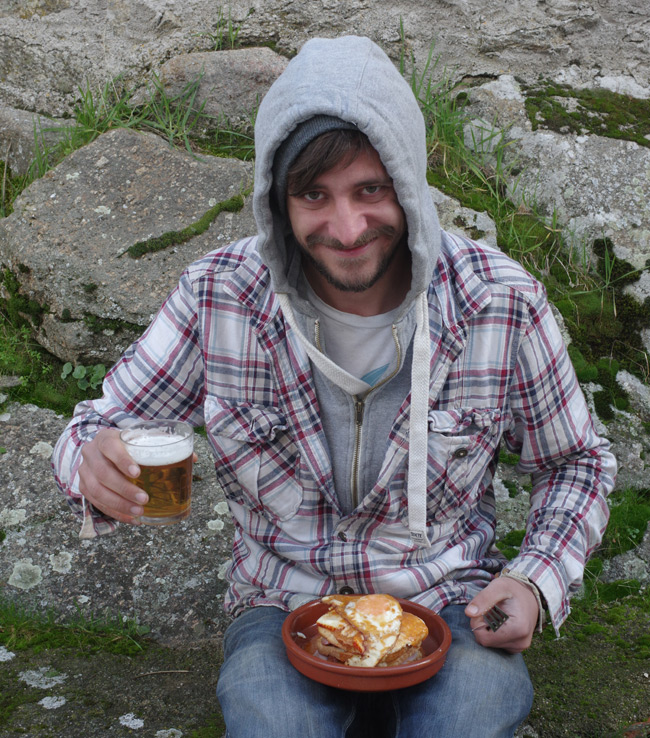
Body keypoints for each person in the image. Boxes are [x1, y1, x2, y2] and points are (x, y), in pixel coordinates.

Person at [52, 35, 617, 737]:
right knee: (268, 718)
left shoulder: (501, 301)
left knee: (472, 714)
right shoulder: (218, 295)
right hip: (281, 604)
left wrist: (534, 579)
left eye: (371, 189)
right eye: (314, 195)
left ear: (408, 183)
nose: (347, 228)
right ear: (275, 200)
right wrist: (89, 461)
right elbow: (99, 422)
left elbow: (578, 462)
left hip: (450, 599)